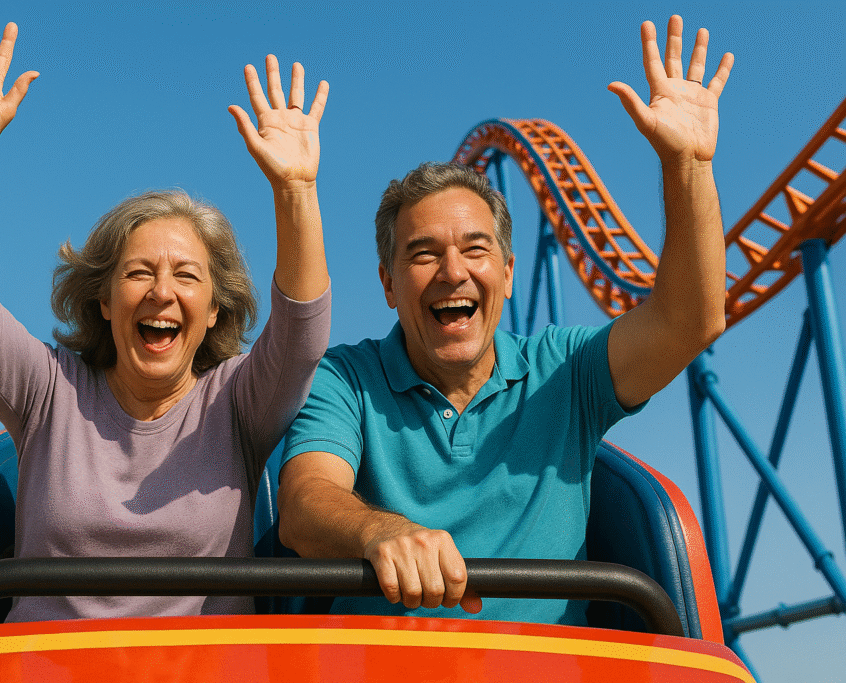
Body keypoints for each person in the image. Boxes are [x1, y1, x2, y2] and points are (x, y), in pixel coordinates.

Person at [277, 15, 734, 625]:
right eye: (422, 253)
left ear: (510, 272)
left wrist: (689, 165)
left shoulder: (566, 371)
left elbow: (691, 320)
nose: (451, 272)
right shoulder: (348, 378)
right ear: (388, 284)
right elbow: (306, 501)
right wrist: (378, 530)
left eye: (474, 249)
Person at [0, 17, 331, 621]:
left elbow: (301, 336)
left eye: (187, 276)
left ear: (215, 308)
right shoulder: (50, 391)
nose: (161, 292)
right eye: (138, 273)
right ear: (103, 299)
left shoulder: (238, 403)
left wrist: (296, 188)